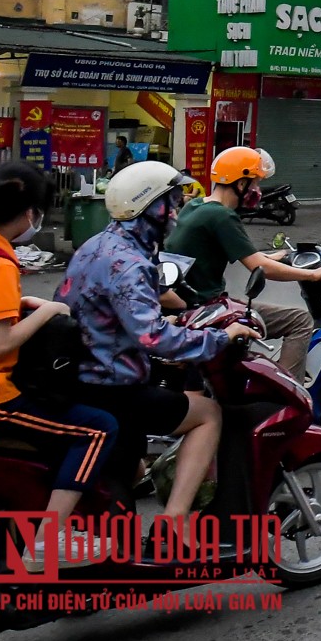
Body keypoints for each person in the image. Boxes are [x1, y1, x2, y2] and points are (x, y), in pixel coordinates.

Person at [0, 162, 118, 567]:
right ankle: (49, 541)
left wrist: (20, 307)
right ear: (31, 213)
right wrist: (50, 311)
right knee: (98, 428)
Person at [58, 161, 254, 523]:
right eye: (172, 204)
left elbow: (121, 318)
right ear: (150, 209)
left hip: (84, 374)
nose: (176, 214)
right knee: (208, 415)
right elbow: (153, 336)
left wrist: (173, 328)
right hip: (111, 385)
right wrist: (220, 337)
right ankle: (175, 521)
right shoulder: (130, 264)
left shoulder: (98, 244)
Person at [165, 147, 321, 381]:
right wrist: (313, 275)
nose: (257, 190)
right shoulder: (222, 216)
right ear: (240, 183)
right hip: (208, 306)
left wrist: (268, 256)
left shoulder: (195, 207)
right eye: (254, 183)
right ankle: (289, 392)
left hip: (189, 303)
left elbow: (240, 252)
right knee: (300, 320)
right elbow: (260, 269)